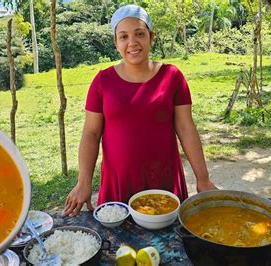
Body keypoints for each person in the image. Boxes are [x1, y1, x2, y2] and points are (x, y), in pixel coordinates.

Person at [63, 4, 217, 217]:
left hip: (164, 182)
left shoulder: (172, 77)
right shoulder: (102, 81)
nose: (132, 43)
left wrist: (203, 179)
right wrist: (84, 182)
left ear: (151, 37)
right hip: (118, 185)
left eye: (139, 34)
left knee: (167, 247)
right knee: (118, 248)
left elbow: (186, 128)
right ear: (115, 42)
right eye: (123, 36)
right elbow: (91, 134)